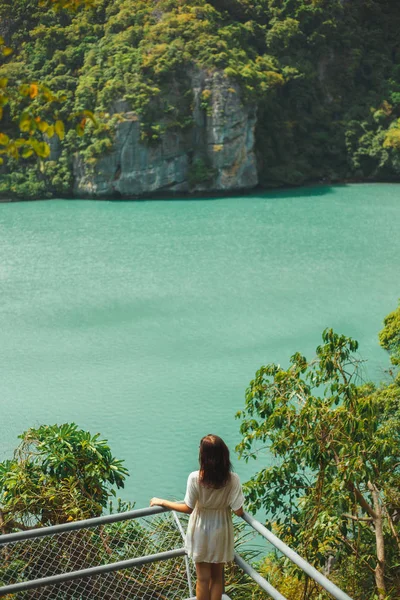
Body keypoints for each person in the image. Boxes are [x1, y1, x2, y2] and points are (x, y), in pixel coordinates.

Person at [150, 434, 245, 600]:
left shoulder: (195, 478)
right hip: (221, 527)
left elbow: (188, 508)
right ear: (224, 454)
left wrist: (163, 502)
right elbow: (238, 511)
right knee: (217, 578)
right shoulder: (233, 479)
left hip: (200, 528)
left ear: (204, 456)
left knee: (202, 579)